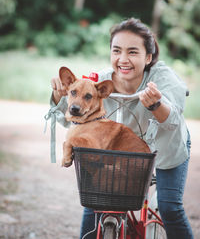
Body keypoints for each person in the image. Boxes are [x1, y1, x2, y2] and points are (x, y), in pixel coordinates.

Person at [49, 18, 193, 239]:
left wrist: (156, 104)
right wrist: (58, 96)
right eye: (117, 51)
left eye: (133, 52)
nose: (123, 59)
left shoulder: (164, 78)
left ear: (148, 57)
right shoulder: (100, 82)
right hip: (122, 151)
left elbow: (172, 120)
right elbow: (72, 120)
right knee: (95, 201)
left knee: (169, 207)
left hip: (167, 147)